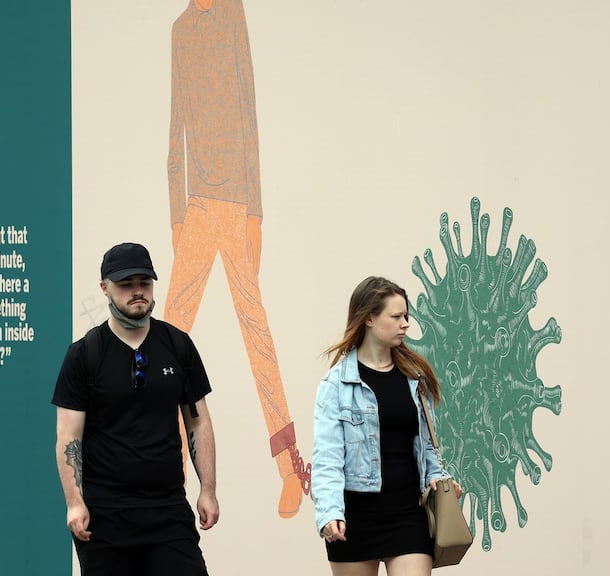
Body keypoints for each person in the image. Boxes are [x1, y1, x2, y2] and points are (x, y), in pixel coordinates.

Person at [165, 0, 309, 518]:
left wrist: (256, 212)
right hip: (198, 208)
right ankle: (170, 460)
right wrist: (177, 213)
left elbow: (248, 106)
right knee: (169, 339)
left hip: (235, 206)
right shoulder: (180, 30)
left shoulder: (232, 13)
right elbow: (177, 119)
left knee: (257, 333)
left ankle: (289, 467)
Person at [52, 242, 218, 576]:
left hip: (168, 510)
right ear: (105, 288)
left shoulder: (177, 345)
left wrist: (208, 491)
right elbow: (69, 436)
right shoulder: (85, 354)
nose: (137, 291)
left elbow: (198, 423)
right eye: (126, 285)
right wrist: (74, 501)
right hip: (105, 516)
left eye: (144, 282)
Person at [312, 277, 463, 576]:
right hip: (354, 518)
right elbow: (326, 458)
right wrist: (329, 513)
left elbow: (429, 446)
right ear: (369, 317)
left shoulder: (414, 378)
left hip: (408, 515)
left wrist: (438, 478)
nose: (405, 323)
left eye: (406, 316)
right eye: (396, 317)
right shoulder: (336, 385)